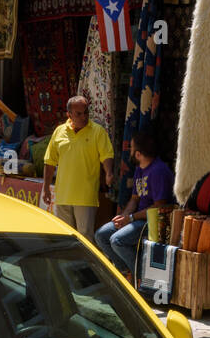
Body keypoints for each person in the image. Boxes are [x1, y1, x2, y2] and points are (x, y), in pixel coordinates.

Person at [94, 131, 175, 280]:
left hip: (153, 222)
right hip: (137, 219)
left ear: (138, 154)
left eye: (131, 148)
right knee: (101, 235)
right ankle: (126, 273)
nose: (129, 151)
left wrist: (131, 218)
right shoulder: (140, 169)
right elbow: (134, 199)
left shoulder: (159, 171)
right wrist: (124, 217)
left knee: (117, 240)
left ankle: (140, 277)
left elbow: (158, 208)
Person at [41, 95, 114, 241]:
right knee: (65, 237)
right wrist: (46, 187)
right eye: (78, 114)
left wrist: (109, 172)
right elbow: (49, 161)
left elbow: (106, 155)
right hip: (62, 195)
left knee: (85, 238)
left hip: (85, 196)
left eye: (86, 112)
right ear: (69, 115)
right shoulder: (59, 131)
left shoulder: (97, 131)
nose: (83, 117)